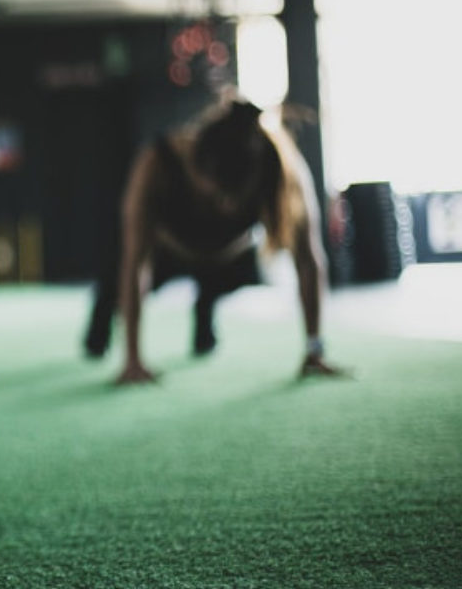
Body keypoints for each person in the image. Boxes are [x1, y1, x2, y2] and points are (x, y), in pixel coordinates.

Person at [109, 98, 342, 384]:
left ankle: (205, 305)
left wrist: (314, 349)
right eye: (217, 195)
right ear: (197, 165)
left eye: (234, 198)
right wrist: (133, 360)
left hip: (230, 258)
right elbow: (136, 263)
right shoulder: (157, 161)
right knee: (112, 289)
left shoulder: (279, 168)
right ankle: (103, 319)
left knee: (226, 283)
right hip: (167, 253)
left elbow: (308, 261)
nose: (225, 207)